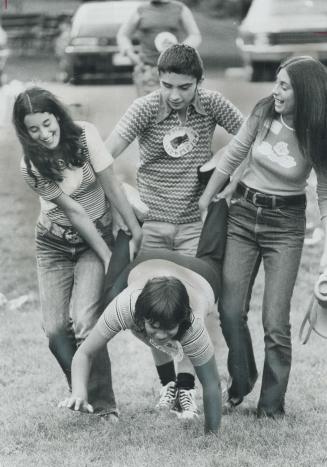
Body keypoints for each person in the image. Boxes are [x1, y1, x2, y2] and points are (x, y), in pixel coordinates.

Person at [199, 56, 327, 418]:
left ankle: (271, 405)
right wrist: (206, 199)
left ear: (306, 93)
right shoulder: (264, 111)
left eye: (284, 85)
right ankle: (240, 383)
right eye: (277, 82)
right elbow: (235, 152)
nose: (276, 90)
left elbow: (324, 192)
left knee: (275, 321)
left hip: (285, 224)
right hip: (242, 214)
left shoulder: (317, 129)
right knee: (230, 310)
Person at [13, 87, 143, 418]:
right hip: (53, 242)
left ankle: (103, 407)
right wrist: (107, 255)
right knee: (55, 330)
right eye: (34, 129)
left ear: (57, 115)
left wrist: (134, 228)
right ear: (25, 132)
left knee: (87, 322)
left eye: (47, 123)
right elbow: (74, 212)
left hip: (93, 235)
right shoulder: (31, 164)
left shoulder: (85, 135)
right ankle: (81, 392)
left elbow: (111, 184)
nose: (44, 134)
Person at [59, 199, 228, 434]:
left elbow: (211, 384)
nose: (159, 336)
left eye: (168, 329)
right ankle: (129, 226)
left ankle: (217, 201)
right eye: (154, 326)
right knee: (107, 297)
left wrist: (212, 435)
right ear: (141, 315)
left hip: (200, 272)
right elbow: (85, 352)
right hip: (148, 262)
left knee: (212, 255)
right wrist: (78, 391)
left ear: (182, 321)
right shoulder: (126, 305)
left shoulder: (194, 326)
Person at [106, 44, 243, 258]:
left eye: (184, 87)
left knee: (190, 288)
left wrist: (233, 178)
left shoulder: (212, 103)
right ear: (158, 77)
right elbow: (104, 156)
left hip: (195, 224)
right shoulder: (145, 108)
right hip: (150, 224)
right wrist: (117, 205)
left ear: (200, 81)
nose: (174, 95)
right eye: (167, 85)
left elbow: (251, 137)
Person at [117, 0, 201, 96]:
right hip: (147, 69)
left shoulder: (180, 9)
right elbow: (123, 35)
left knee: (173, 108)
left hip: (174, 70)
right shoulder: (141, 10)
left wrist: (181, 50)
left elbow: (195, 35)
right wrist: (130, 54)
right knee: (147, 108)